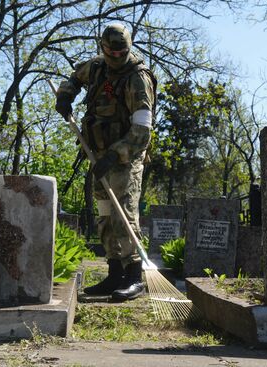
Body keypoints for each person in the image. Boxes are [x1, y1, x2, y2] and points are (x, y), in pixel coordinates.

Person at [55, 23, 156, 301]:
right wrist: (66, 95)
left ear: (129, 47)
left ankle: (134, 275)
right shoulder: (97, 67)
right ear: (102, 48)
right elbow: (74, 79)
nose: (116, 56)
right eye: (111, 51)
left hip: (125, 160)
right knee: (104, 215)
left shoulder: (138, 79)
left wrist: (115, 155)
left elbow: (143, 131)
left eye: (121, 51)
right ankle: (114, 274)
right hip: (96, 155)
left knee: (124, 214)